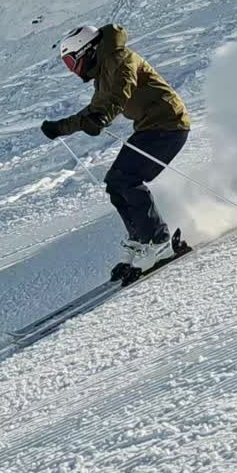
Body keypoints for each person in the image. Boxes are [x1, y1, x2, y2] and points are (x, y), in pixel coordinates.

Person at [41, 25, 191, 281]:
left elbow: (122, 90)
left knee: (126, 179)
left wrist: (102, 116)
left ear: (87, 50)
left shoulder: (120, 58)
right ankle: (140, 239)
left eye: (71, 62)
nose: (73, 70)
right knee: (114, 183)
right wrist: (60, 127)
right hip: (150, 128)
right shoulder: (103, 73)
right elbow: (95, 109)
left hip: (169, 125)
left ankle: (158, 240)